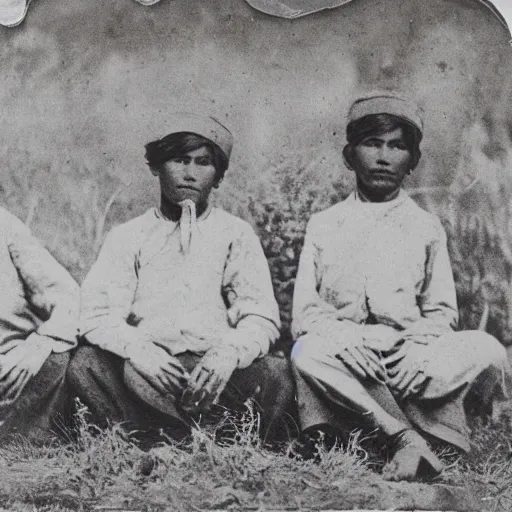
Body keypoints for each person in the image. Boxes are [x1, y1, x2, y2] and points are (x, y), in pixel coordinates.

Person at [290, 92, 512, 481]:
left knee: (489, 349)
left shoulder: (425, 226)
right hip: (350, 357)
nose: (383, 156)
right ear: (349, 155)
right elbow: (305, 312)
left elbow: (442, 313)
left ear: (412, 161)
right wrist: (343, 337)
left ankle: (409, 428)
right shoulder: (324, 224)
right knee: (306, 350)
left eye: (397, 146)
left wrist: (418, 350)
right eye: (372, 143)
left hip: (410, 359)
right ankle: (405, 437)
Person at [68, 112, 295, 443]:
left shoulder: (235, 233)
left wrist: (228, 353)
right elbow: (96, 315)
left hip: (215, 374)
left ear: (218, 176)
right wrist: (137, 349)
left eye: (203, 163)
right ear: (156, 167)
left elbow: (260, 316)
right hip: (149, 371)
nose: (190, 173)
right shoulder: (129, 235)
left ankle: (208, 437)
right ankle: (152, 438)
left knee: (277, 373)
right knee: (86, 365)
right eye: (178, 160)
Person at [0, 207, 79, 445]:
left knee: (70, 361)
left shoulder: (5, 226)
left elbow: (69, 296)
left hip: (13, 371)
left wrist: (40, 342)